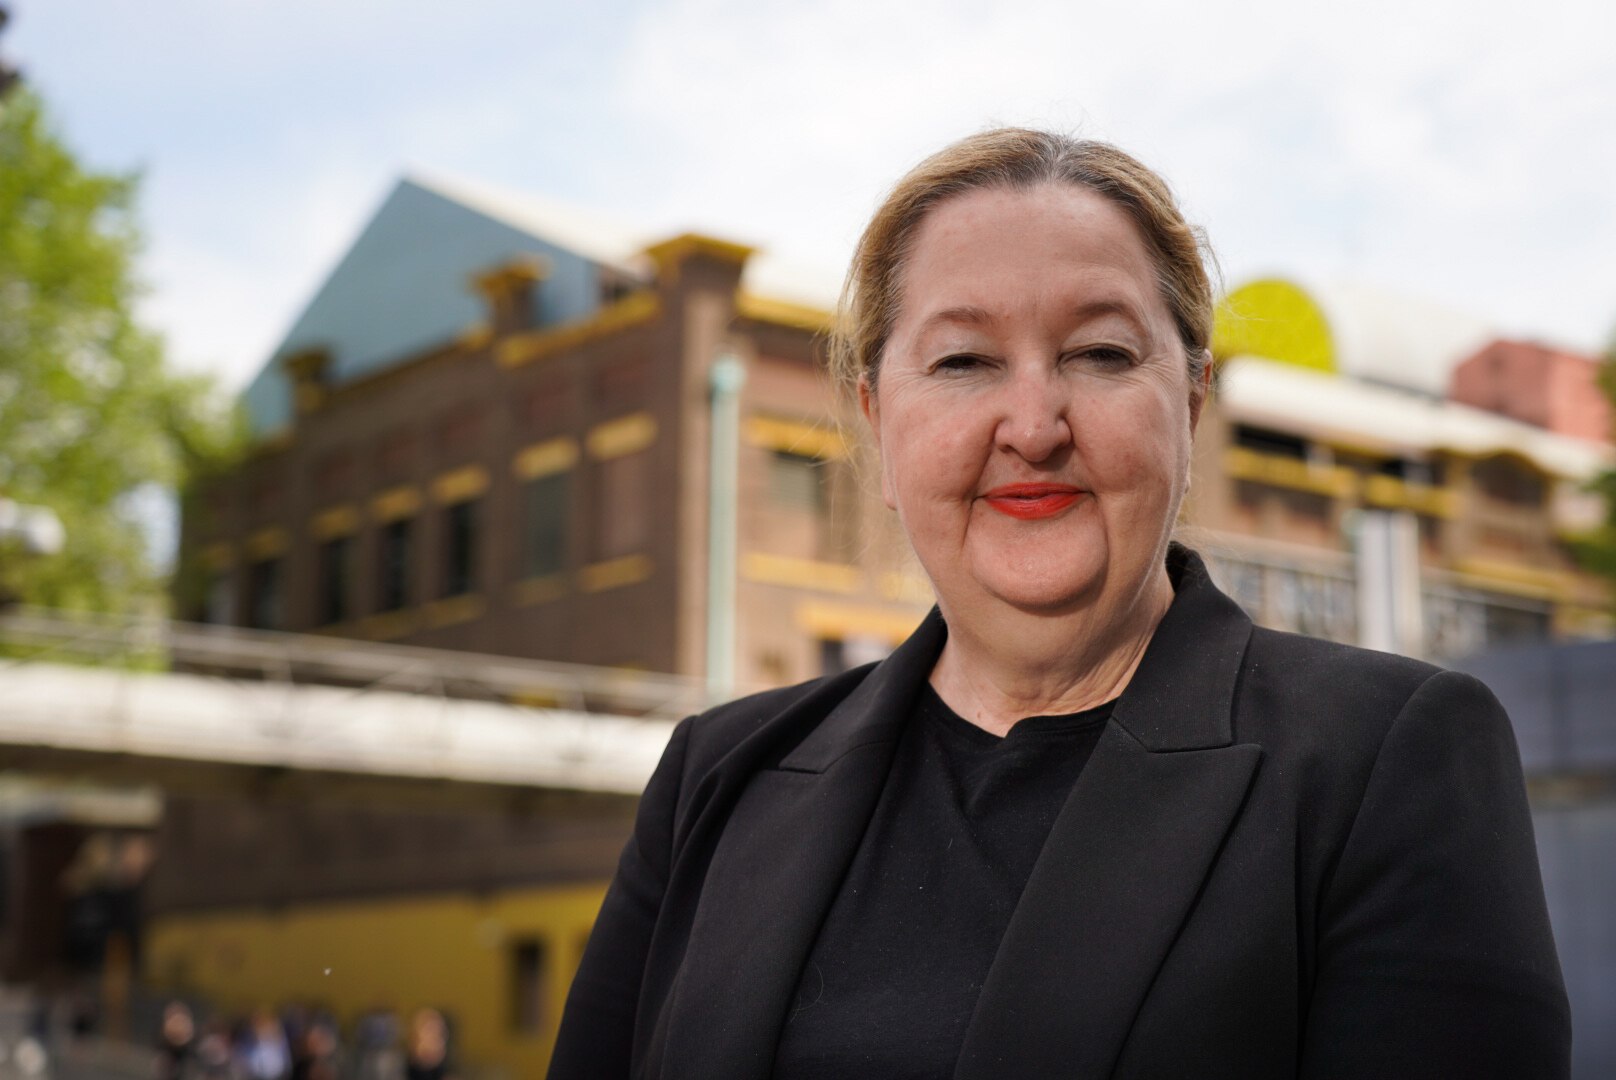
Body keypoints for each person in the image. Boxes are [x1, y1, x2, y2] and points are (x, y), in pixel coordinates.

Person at [547, 129, 1570, 1079]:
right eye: (962, 362)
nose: (1031, 425)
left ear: (1190, 405)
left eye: (1099, 354)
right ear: (875, 420)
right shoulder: (714, 780)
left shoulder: (1384, 759)